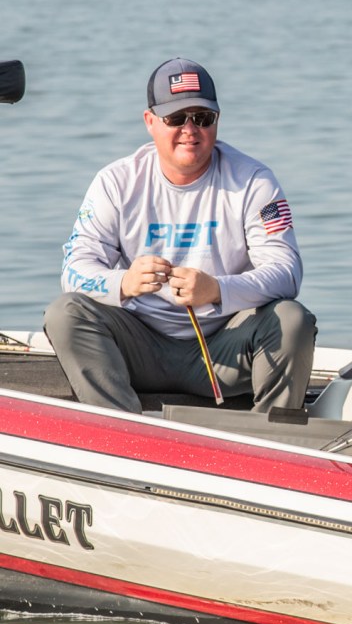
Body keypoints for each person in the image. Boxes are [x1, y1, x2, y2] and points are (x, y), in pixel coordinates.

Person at [44, 58, 317, 414]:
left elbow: (287, 271)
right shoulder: (115, 182)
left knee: (292, 319)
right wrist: (123, 282)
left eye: (202, 117)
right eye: (175, 118)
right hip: (139, 350)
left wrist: (217, 290)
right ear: (150, 121)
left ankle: (272, 437)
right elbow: (73, 270)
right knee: (65, 313)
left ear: (217, 120)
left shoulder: (256, 182)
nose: (190, 129)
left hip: (224, 350)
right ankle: (122, 430)